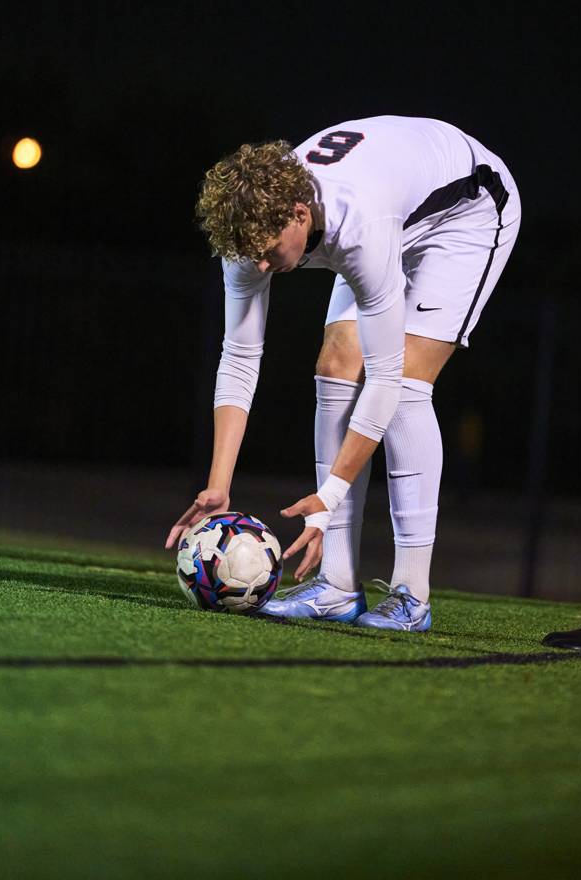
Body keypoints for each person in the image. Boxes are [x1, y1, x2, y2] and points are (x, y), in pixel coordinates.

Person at [165, 115, 520, 631]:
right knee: (335, 362)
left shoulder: (361, 228)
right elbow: (240, 358)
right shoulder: (246, 240)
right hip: (401, 202)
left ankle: (411, 595)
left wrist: (327, 499)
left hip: (470, 207)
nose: (261, 268)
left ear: (299, 212)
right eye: (250, 255)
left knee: (408, 383)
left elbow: (384, 377)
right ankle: (336, 584)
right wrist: (219, 484)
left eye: (268, 253)